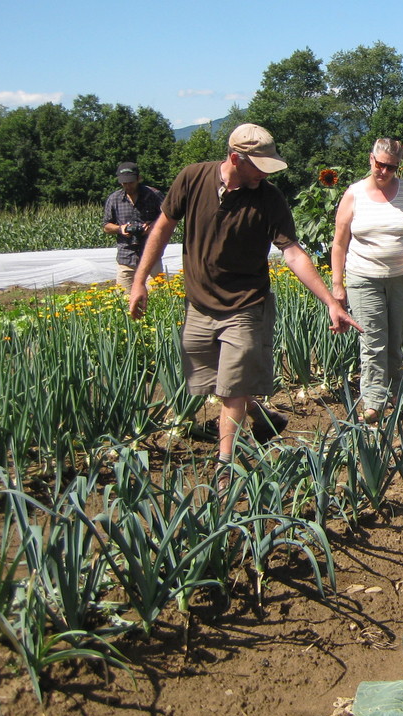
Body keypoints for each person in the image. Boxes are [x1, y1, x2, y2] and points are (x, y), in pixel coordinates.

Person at [128, 123, 358, 470]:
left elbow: (293, 253)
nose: (264, 175)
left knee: (232, 387)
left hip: (246, 304)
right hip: (199, 302)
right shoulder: (192, 178)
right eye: (259, 166)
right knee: (215, 385)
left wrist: (330, 302)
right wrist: (139, 280)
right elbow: (163, 226)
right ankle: (262, 415)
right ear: (235, 158)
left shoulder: (269, 198)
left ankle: (226, 464)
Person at [331, 138, 403, 424]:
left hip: (402, 278)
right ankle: (374, 402)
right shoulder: (354, 194)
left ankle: (397, 391)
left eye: (391, 167)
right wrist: (338, 284)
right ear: (370, 159)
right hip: (364, 278)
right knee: (373, 340)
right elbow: (339, 242)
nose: (384, 171)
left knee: (394, 338)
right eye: (380, 164)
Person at [103, 163, 164, 290]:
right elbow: (106, 226)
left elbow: (168, 218)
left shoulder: (154, 195)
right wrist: (121, 229)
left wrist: (153, 226)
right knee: (124, 300)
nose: (127, 186)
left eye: (130, 182)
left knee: (158, 298)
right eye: (124, 183)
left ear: (138, 179)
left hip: (151, 255)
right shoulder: (114, 199)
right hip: (126, 257)